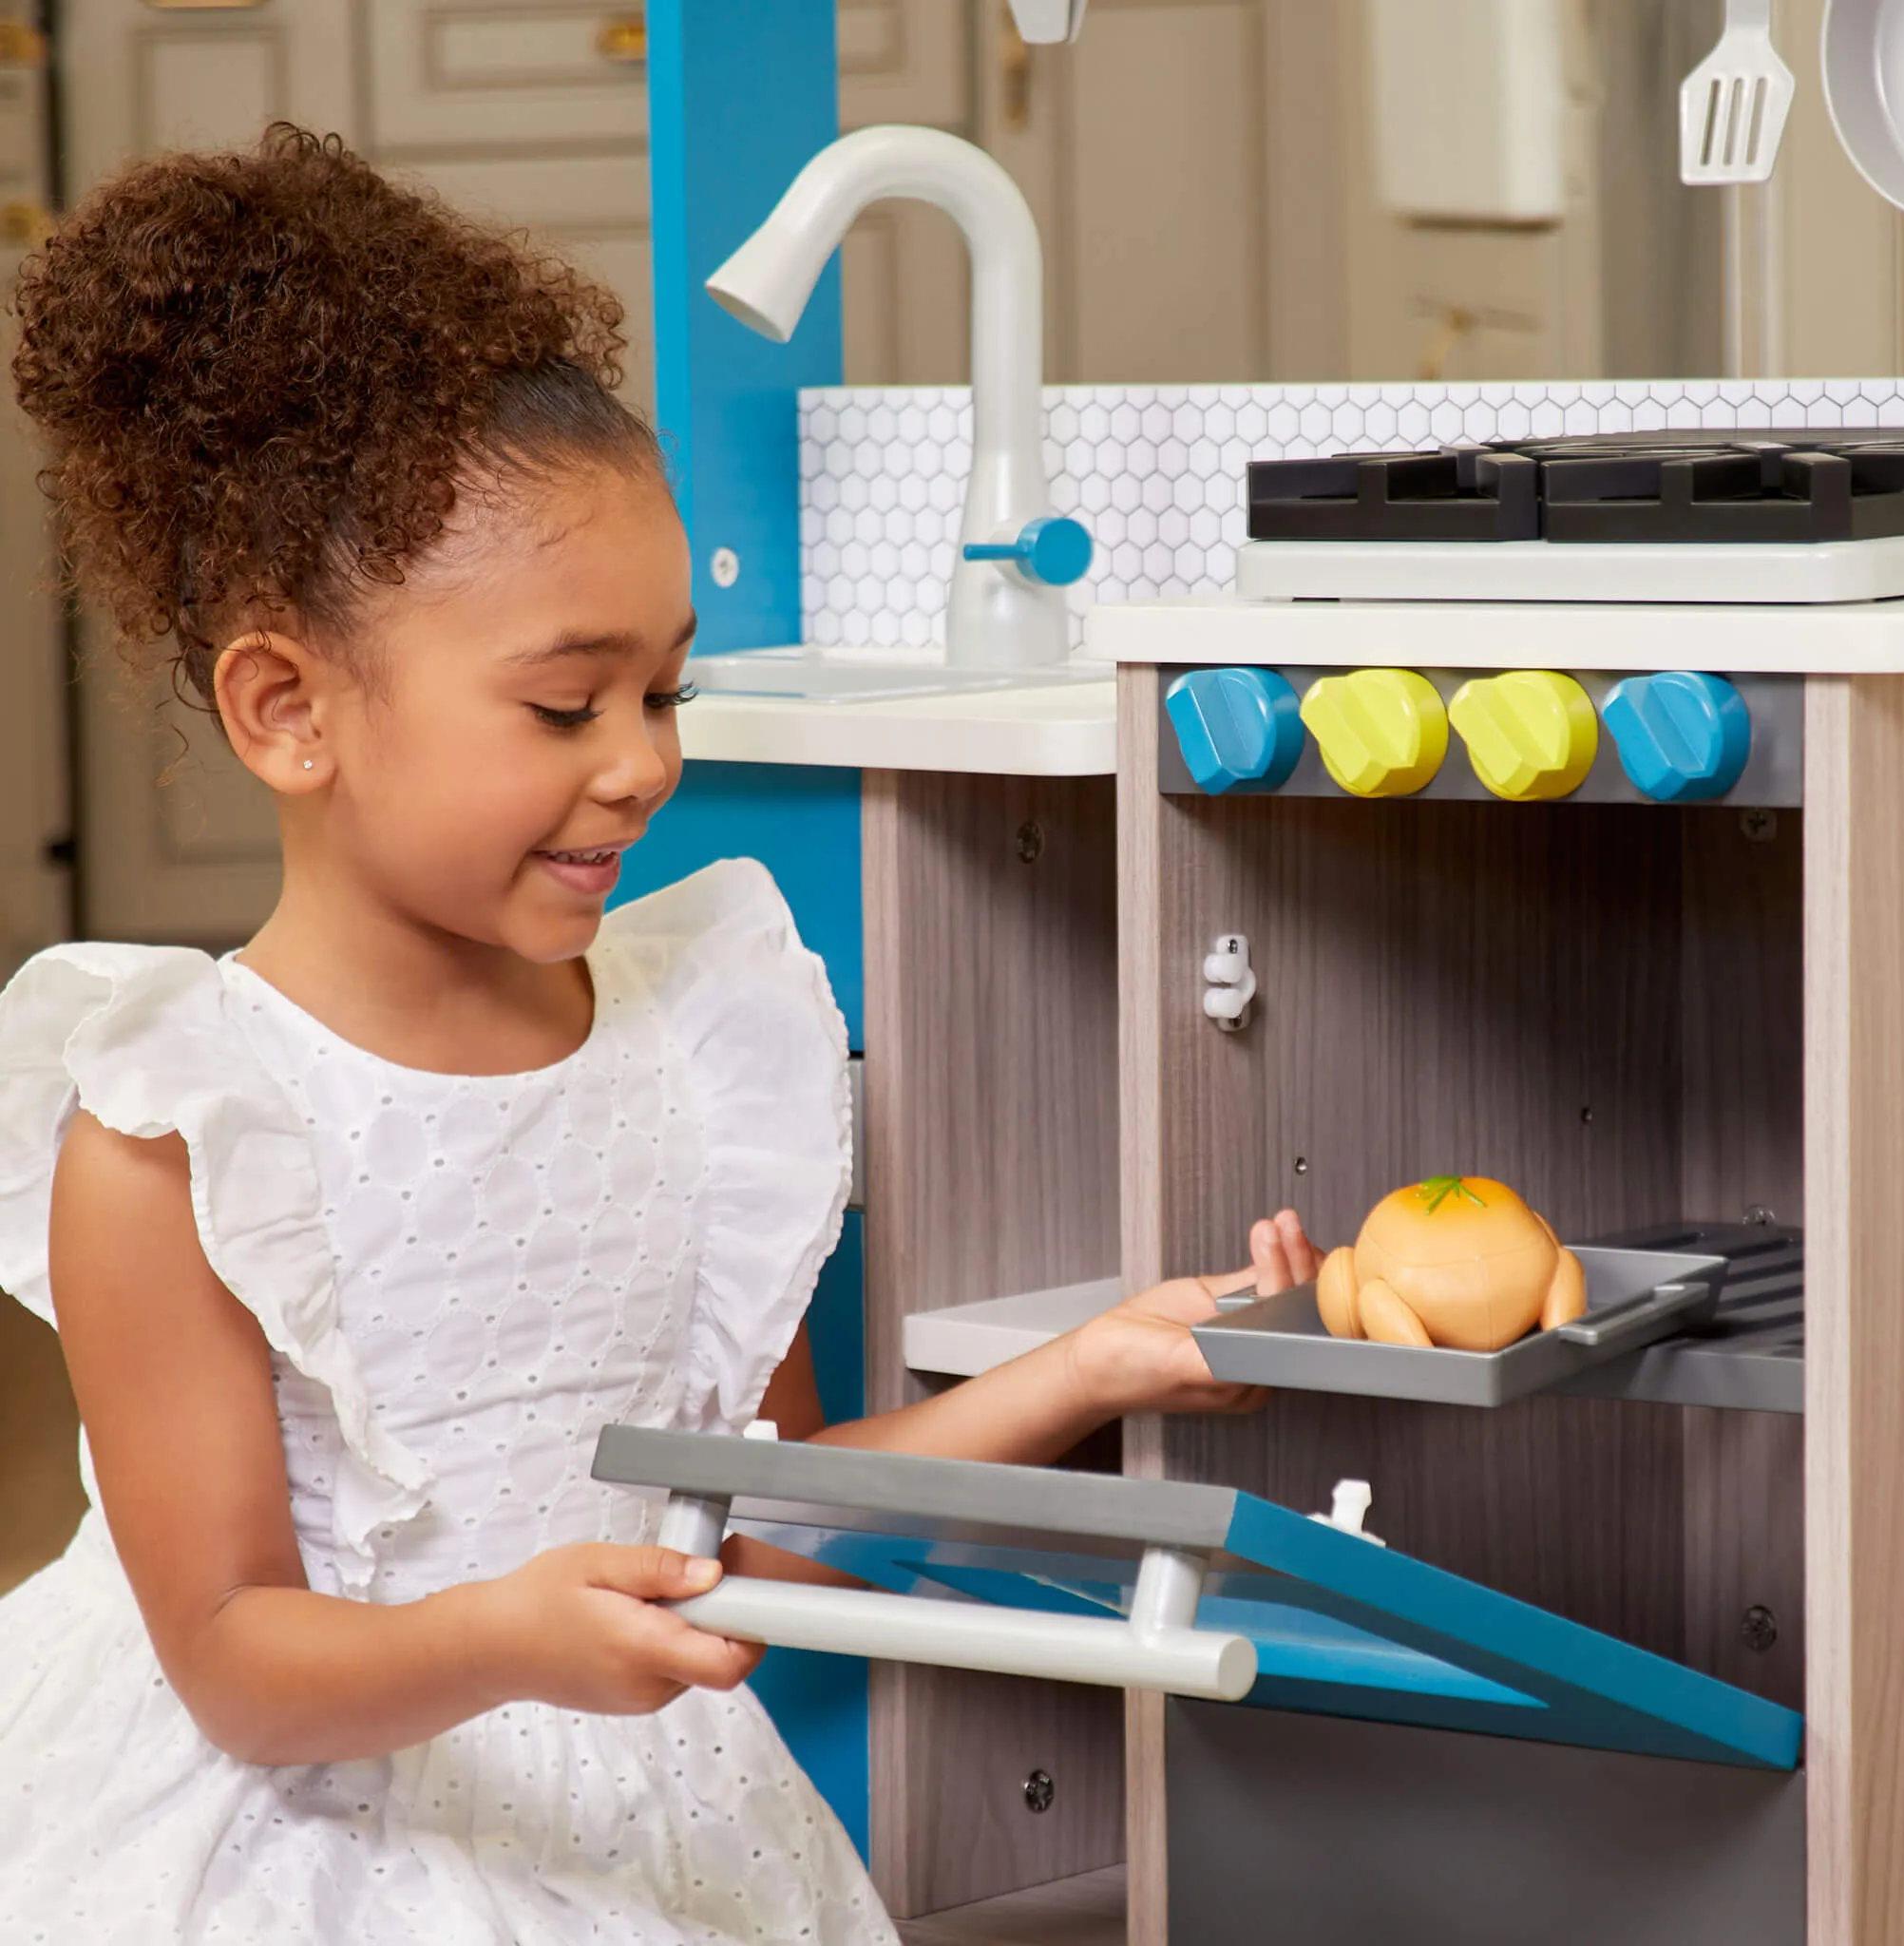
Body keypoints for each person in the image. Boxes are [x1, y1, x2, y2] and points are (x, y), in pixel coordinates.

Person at [0, 125, 1319, 1943]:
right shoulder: (178, 1131)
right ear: (288, 708)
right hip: (296, 1851)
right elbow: (235, 1662)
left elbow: (756, 1528)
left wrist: (1101, 1365)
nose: (642, 761)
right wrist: (509, 1637)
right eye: (562, 704)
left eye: (664, 687)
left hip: (643, 1822)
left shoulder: (695, 1047)